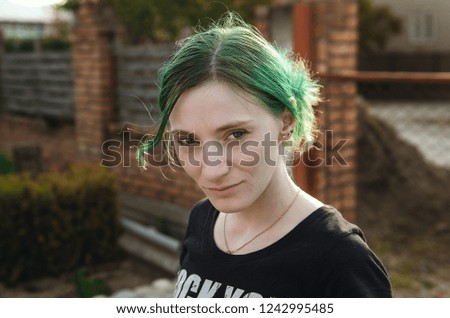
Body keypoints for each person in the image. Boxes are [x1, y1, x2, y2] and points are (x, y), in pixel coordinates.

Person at [137, 13, 392, 298]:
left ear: (286, 123)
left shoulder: (338, 259)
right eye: (187, 140)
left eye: (236, 135)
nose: (212, 171)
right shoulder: (202, 218)